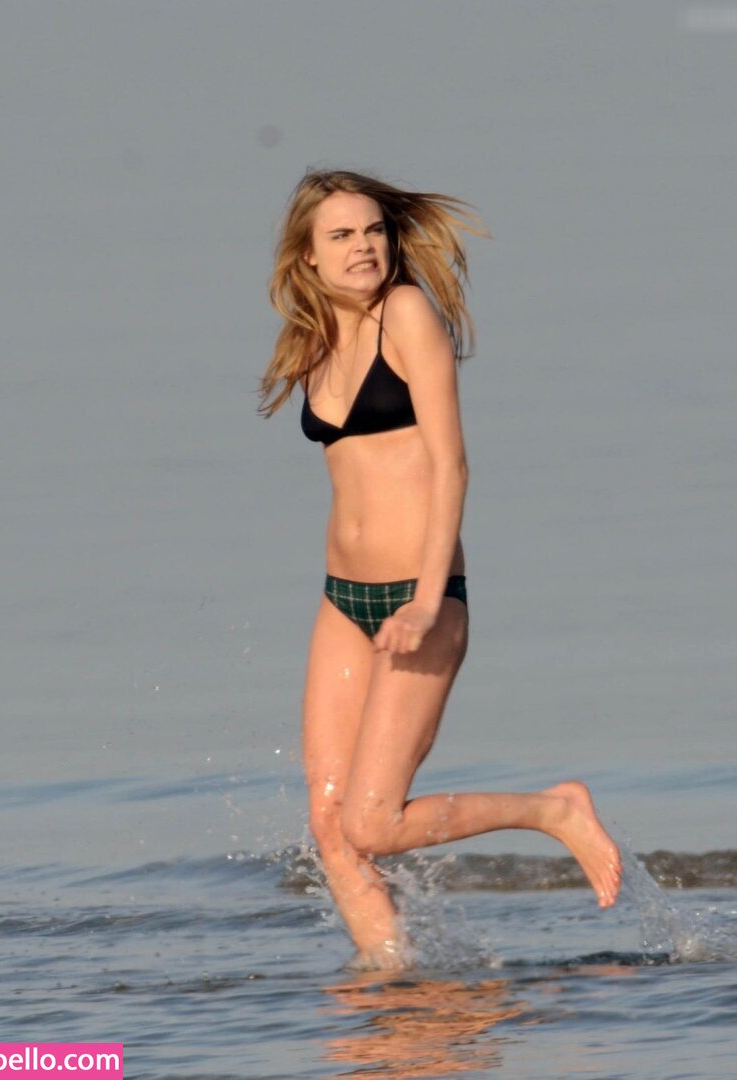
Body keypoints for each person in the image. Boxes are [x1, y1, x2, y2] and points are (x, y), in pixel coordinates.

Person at [260, 168, 621, 970]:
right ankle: (392, 984)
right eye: (341, 236)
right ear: (308, 255)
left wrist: (426, 601)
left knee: (373, 823)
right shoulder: (313, 337)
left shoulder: (406, 313)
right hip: (342, 600)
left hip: (419, 598)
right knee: (329, 826)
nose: (363, 247)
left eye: (373, 231)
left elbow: (449, 466)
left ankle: (553, 810)